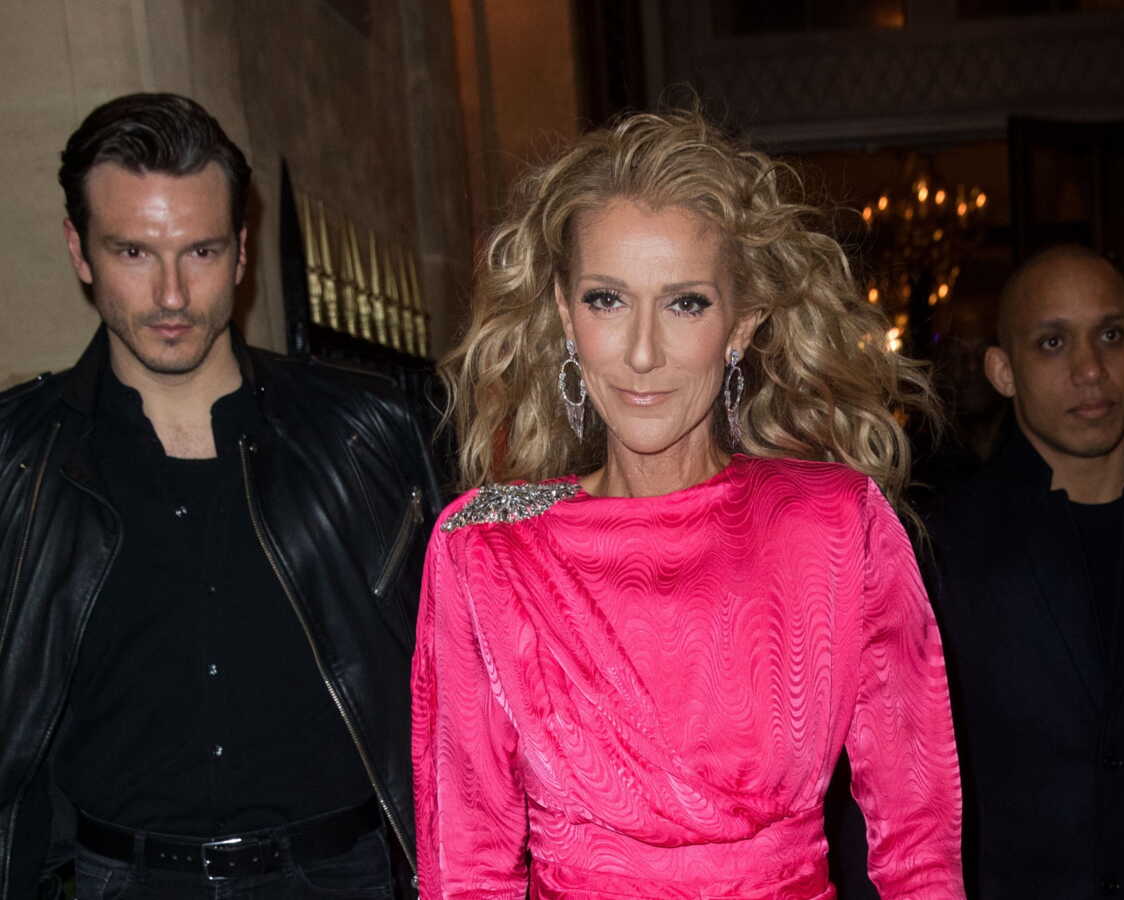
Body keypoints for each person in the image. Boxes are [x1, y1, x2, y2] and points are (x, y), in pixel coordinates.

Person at [411, 109, 965, 899]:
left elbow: (921, 851)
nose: (642, 353)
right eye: (607, 300)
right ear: (565, 314)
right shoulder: (485, 549)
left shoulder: (839, 525)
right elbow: (466, 867)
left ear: (742, 325)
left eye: (685, 304)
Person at [0, 93, 439, 899]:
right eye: (134, 252)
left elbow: (457, 670)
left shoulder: (364, 429)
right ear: (79, 251)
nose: (171, 294)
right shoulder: (18, 455)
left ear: (241, 252)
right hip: (120, 882)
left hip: (342, 877)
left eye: (199, 251)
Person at [928, 245, 1124, 898]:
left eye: (1110, 336)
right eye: (1053, 343)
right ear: (1003, 371)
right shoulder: (942, 547)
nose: (1090, 369)